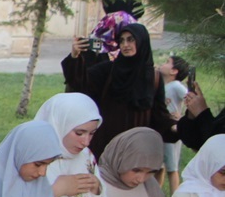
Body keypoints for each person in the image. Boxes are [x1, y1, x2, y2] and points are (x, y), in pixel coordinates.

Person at [64, 21, 176, 158]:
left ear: (142, 42)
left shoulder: (153, 77)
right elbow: (80, 82)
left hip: (136, 149)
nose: (125, 45)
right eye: (122, 41)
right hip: (106, 145)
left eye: (130, 39)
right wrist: (75, 56)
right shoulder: (108, 70)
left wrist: (174, 127)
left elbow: (158, 114)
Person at [161, 55, 192, 192]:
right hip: (162, 128)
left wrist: (182, 116)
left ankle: (175, 196)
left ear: (174, 71)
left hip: (172, 130)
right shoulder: (161, 85)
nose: (163, 64)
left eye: (167, 62)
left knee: (172, 168)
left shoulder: (176, 86)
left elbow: (190, 98)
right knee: (159, 167)